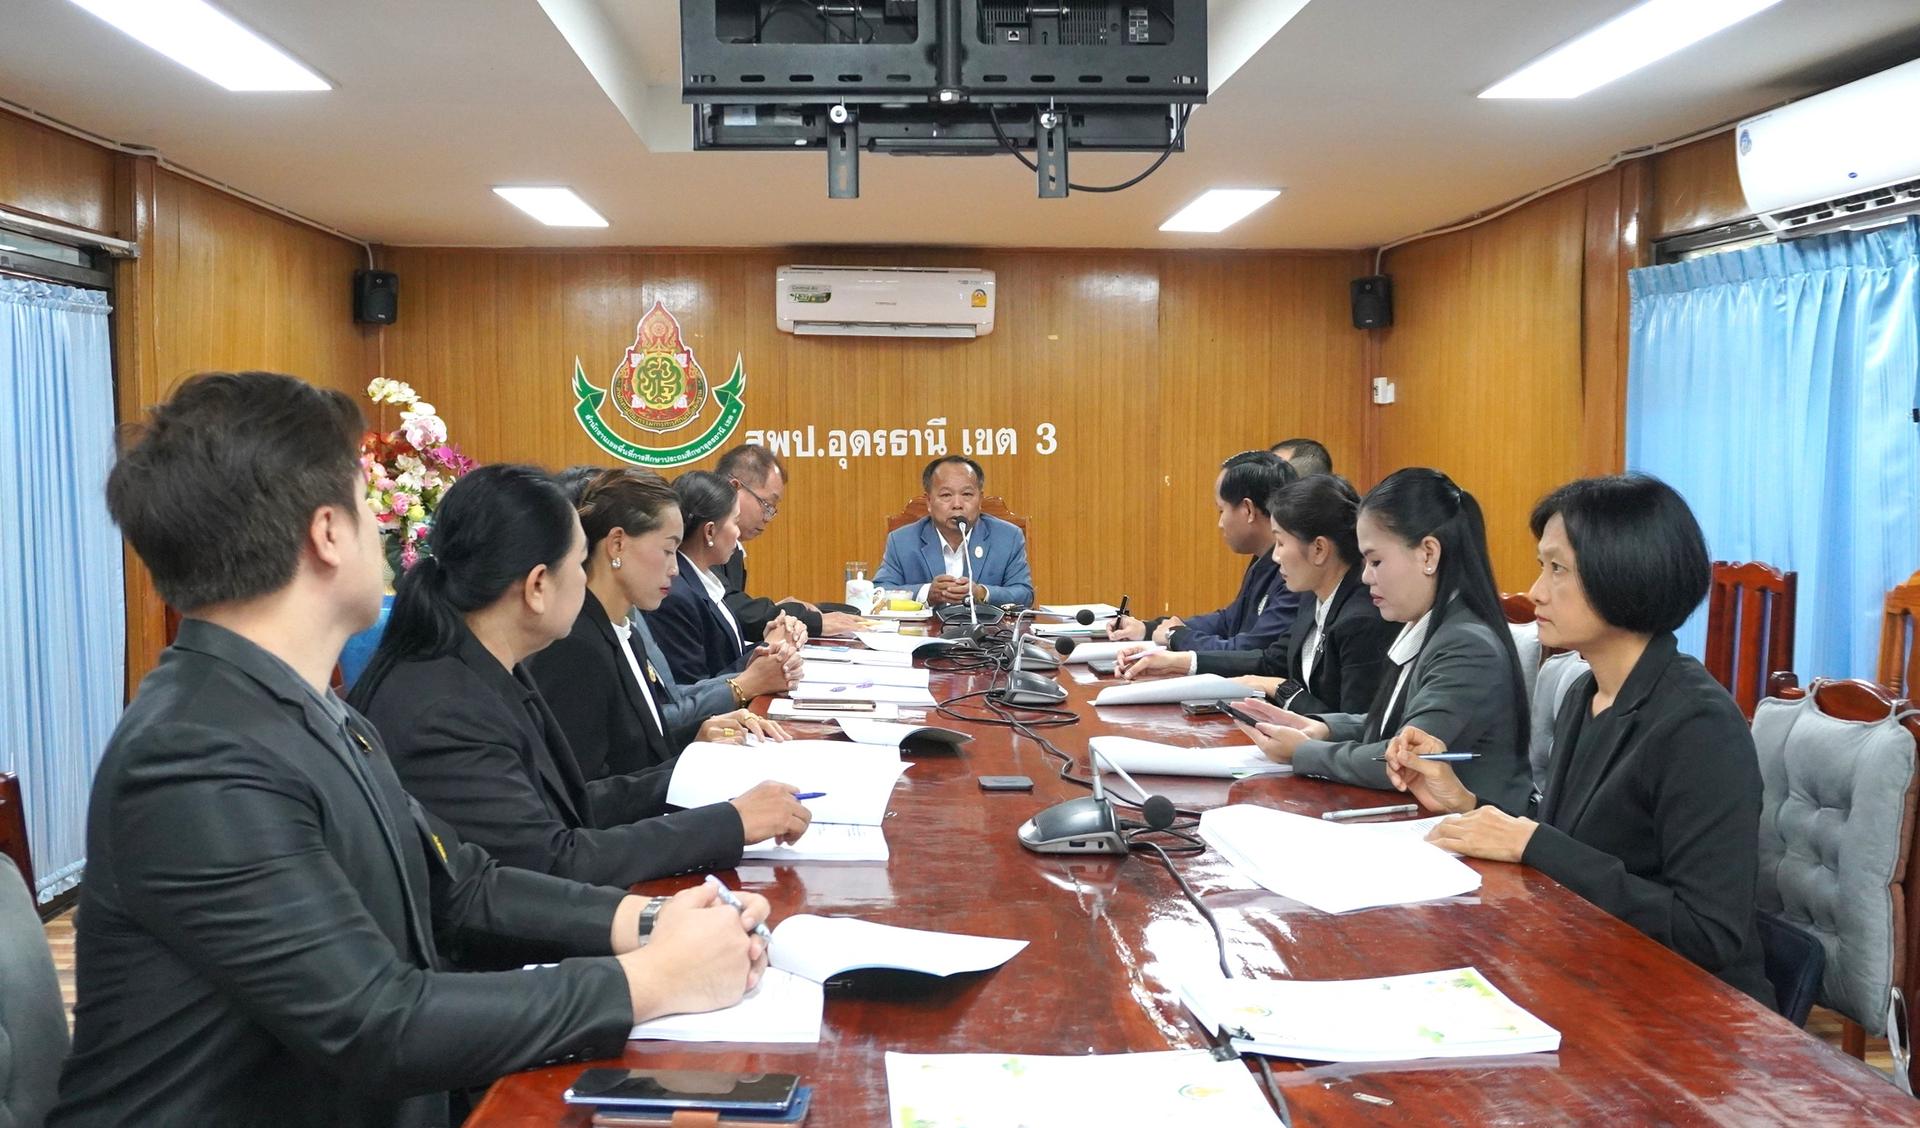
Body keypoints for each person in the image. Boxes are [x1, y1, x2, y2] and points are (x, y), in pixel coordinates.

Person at [52, 372, 770, 1128]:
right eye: (365, 502)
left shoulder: (300, 705)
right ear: (327, 533)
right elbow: (376, 1022)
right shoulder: (196, 753)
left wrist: (653, 925)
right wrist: (649, 983)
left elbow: (461, 884)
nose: (392, 533)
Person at [1385, 475, 1773, 1005]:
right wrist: (1469, 804)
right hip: (1595, 969)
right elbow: (1575, 845)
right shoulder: (1586, 692)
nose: (1536, 590)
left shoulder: (1698, 725)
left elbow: (1708, 933)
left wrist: (1531, 842)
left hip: (1690, 1011)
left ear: (1624, 574)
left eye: (1557, 569)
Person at [351, 464, 811, 889]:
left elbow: (572, 806)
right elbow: (548, 861)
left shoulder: (488, 667)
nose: (585, 581)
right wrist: (726, 825)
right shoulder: (446, 706)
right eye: (576, 564)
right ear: (536, 586)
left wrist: (704, 775)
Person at [1228, 468, 1531, 815]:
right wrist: (1322, 729)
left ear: (1428, 554)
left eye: (1375, 561)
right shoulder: (1429, 623)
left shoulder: (1466, 645)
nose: (1366, 576)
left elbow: (1404, 760)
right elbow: (1396, 725)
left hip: (1475, 839)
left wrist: (1301, 752)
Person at [529, 468, 794, 779]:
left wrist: (699, 734)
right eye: (668, 550)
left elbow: (638, 746)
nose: (675, 569)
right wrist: (693, 767)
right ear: (617, 544)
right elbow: (585, 797)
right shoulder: (575, 647)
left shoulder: (626, 631)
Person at [1117, 475, 1397, 715]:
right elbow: (1270, 661)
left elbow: (1352, 727)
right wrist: (1179, 663)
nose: (1275, 557)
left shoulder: (1362, 618)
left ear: (1319, 549)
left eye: (1281, 542)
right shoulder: (1315, 597)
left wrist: (1277, 687)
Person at [1109, 451, 1301, 653]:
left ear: (1248, 510)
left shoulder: (1295, 571)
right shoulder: (1262, 560)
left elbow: (1251, 650)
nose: (1220, 524)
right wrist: (1149, 628)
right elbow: (1230, 621)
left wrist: (1176, 636)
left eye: (1221, 510)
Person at [648, 470, 807, 685]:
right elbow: (695, 689)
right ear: (710, 532)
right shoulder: (676, 594)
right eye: (735, 521)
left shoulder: (703, 579)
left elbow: (725, 657)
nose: (738, 533)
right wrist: (769, 646)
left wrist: (771, 641)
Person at [714, 444, 866, 638]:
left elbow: (734, 610)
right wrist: (807, 619)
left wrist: (779, 610)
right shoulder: (703, 536)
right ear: (735, 487)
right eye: (766, 505)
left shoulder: (732, 544)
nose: (768, 518)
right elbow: (728, 609)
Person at [872, 455, 1034, 608]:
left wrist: (982, 593)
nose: (957, 504)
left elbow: (1024, 594)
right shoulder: (902, 541)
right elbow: (879, 593)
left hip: (988, 634)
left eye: (967, 494)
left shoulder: (1008, 537)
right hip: (925, 635)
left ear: (980, 500)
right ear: (928, 501)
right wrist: (926, 593)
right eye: (946, 495)